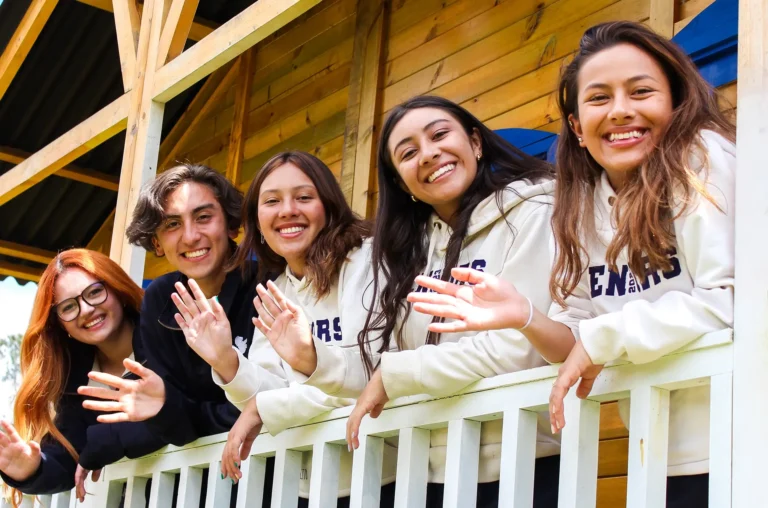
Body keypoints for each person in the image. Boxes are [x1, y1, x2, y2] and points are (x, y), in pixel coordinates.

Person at [411, 22, 736, 507]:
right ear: (578, 128)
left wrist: (603, 338)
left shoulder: (701, 158)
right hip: (663, 455)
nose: (620, 109)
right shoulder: (581, 204)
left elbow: (730, 299)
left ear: (675, 101)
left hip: (745, 437)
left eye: (641, 91)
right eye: (599, 98)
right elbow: (578, 337)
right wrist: (524, 316)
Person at [265, 96, 567, 507]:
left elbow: (522, 348)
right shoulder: (408, 251)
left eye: (439, 134)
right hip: (428, 470)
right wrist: (311, 358)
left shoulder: (533, 211)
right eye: (408, 153)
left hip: (524, 459)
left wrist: (398, 374)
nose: (428, 154)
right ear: (401, 182)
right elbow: (379, 367)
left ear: (476, 142)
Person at [171, 151, 397, 506]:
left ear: (329, 206)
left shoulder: (365, 261)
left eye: (303, 197)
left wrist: (266, 407)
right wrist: (226, 361)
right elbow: (269, 391)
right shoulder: (278, 287)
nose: (287, 210)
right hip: (308, 483)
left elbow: (369, 377)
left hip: (385, 475)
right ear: (257, 221)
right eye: (272, 201)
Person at [78, 163, 274, 444]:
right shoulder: (159, 300)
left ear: (231, 225)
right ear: (157, 243)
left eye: (203, 217)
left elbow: (272, 401)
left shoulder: (268, 285)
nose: (191, 236)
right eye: (172, 224)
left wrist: (183, 415)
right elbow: (165, 412)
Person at [0, 249, 167, 506]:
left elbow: (188, 410)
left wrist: (105, 440)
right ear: (60, 324)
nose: (86, 309)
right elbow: (69, 456)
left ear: (117, 290)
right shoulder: (74, 381)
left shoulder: (166, 336)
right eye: (68, 307)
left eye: (95, 292)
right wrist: (31, 469)